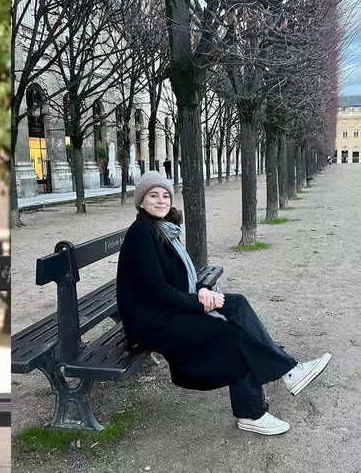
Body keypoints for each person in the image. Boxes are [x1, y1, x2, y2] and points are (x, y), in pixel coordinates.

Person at [117, 171, 331, 435]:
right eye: (153, 195)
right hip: (151, 320)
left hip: (167, 307)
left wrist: (204, 289)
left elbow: (180, 277)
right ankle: (252, 410)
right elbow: (156, 291)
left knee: (237, 304)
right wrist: (199, 302)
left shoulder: (164, 230)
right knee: (230, 331)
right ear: (141, 201)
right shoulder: (141, 233)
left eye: (165, 195)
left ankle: (289, 372)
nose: (161, 201)